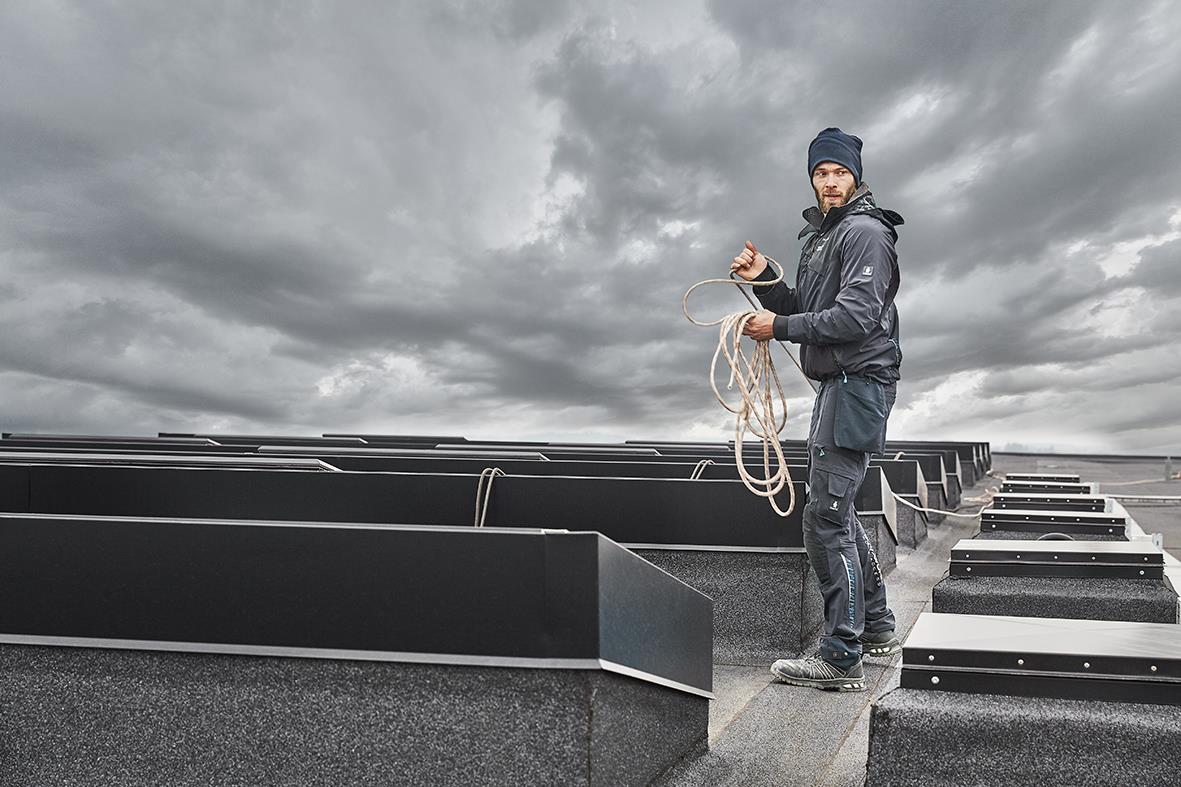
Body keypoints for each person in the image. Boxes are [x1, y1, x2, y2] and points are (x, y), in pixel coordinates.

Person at [730, 127, 903, 692]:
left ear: (856, 176)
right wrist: (765, 281)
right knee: (838, 510)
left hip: (858, 385)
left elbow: (854, 317)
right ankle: (875, 626)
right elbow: (808, 306)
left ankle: (841, 654)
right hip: (840, 386)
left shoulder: (864, 233)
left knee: (824, 518)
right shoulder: (823, 237)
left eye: (839, 172)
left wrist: (778, 326)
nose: (830, 181)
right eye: (821, 173)